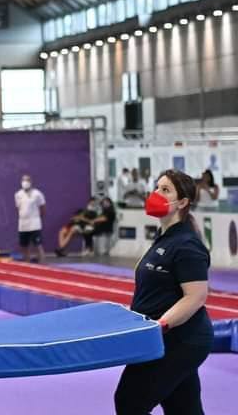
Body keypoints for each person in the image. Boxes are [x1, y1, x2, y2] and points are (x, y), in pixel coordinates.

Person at [114, 170, 213, 415]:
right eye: (157, 187)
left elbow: (196, 297)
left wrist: (161, 325)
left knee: (129, 402)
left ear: (182, 202)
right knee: (183, 409)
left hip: (180, 340)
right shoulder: (164, 237)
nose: (156, 194)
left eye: (165, 190)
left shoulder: (187, 245)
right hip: (161, 339)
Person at [14, 173, 46, 263]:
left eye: (27, 180)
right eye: (23, 180)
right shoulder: (18, 194)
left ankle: (42, 265)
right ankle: (27, 264)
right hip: (23, 225)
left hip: (35, 225)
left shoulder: (37, 193)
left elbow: (43, 208)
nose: (25, 182)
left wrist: (36, 218)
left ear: (31, 182)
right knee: (24, 246)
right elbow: (18, 209)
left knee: (38, 245)